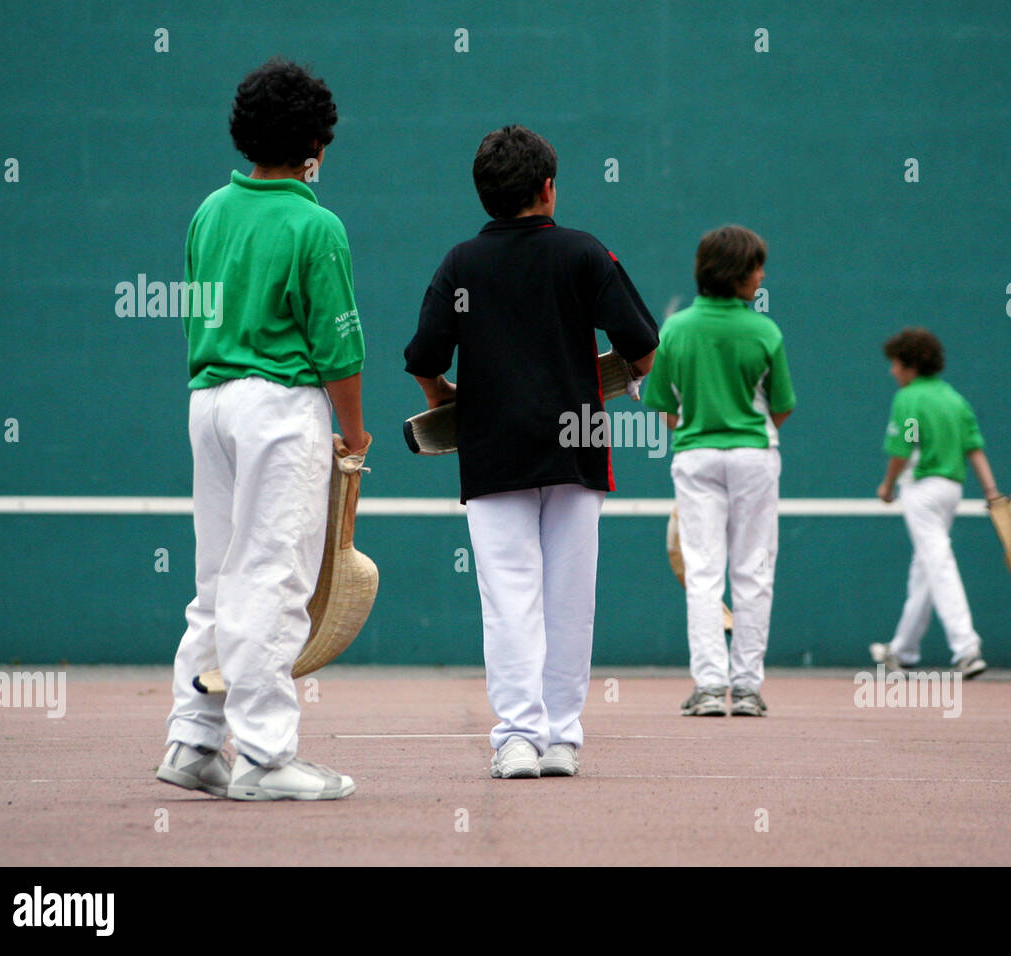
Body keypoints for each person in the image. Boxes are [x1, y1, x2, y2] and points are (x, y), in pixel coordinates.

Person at [404, 125, 658, 778]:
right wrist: (623, 372)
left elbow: (425, 357)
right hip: (576, 452)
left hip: (492, 453)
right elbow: (641, 346)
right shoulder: (582, 254)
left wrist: (441, 395)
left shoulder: (460, 263)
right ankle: (564, 740)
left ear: (484, 194)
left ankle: (518, 739)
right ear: (548, 188)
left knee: (509, 597)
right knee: (570, 597)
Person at [158, 58, 368, 801]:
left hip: (208, 400)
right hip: (279, 408)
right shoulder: (318, 224)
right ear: (316, 143)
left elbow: (193, 317)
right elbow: (340, 350)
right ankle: (267, 758)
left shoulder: (209, 211)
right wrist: (354, 434)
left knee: (217, 577)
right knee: (274, 577)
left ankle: (193, 739)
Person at [642, 225, 795, 717]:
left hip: (694, 456)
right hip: (754, 456)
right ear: (736, 273)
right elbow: (783, 407)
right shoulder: (765, 330)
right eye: (755, 266)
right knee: (753, 571)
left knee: (704, 573)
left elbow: (661, 403)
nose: (762, 275)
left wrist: (695, 433)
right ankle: (747, 688)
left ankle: (709, 687)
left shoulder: (675, 329)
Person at [871, 327, 997, 678]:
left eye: (895, 364)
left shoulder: (908, 399)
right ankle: (903, 651)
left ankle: (966, 648)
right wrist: (991, 491)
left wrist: (886, 485)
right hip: (951, 491)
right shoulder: (954, 399)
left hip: (922, 492)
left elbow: (903, 448)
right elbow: (974, 448)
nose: (892, 371)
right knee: (925, 569)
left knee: (938, 563)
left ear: (910, 365)